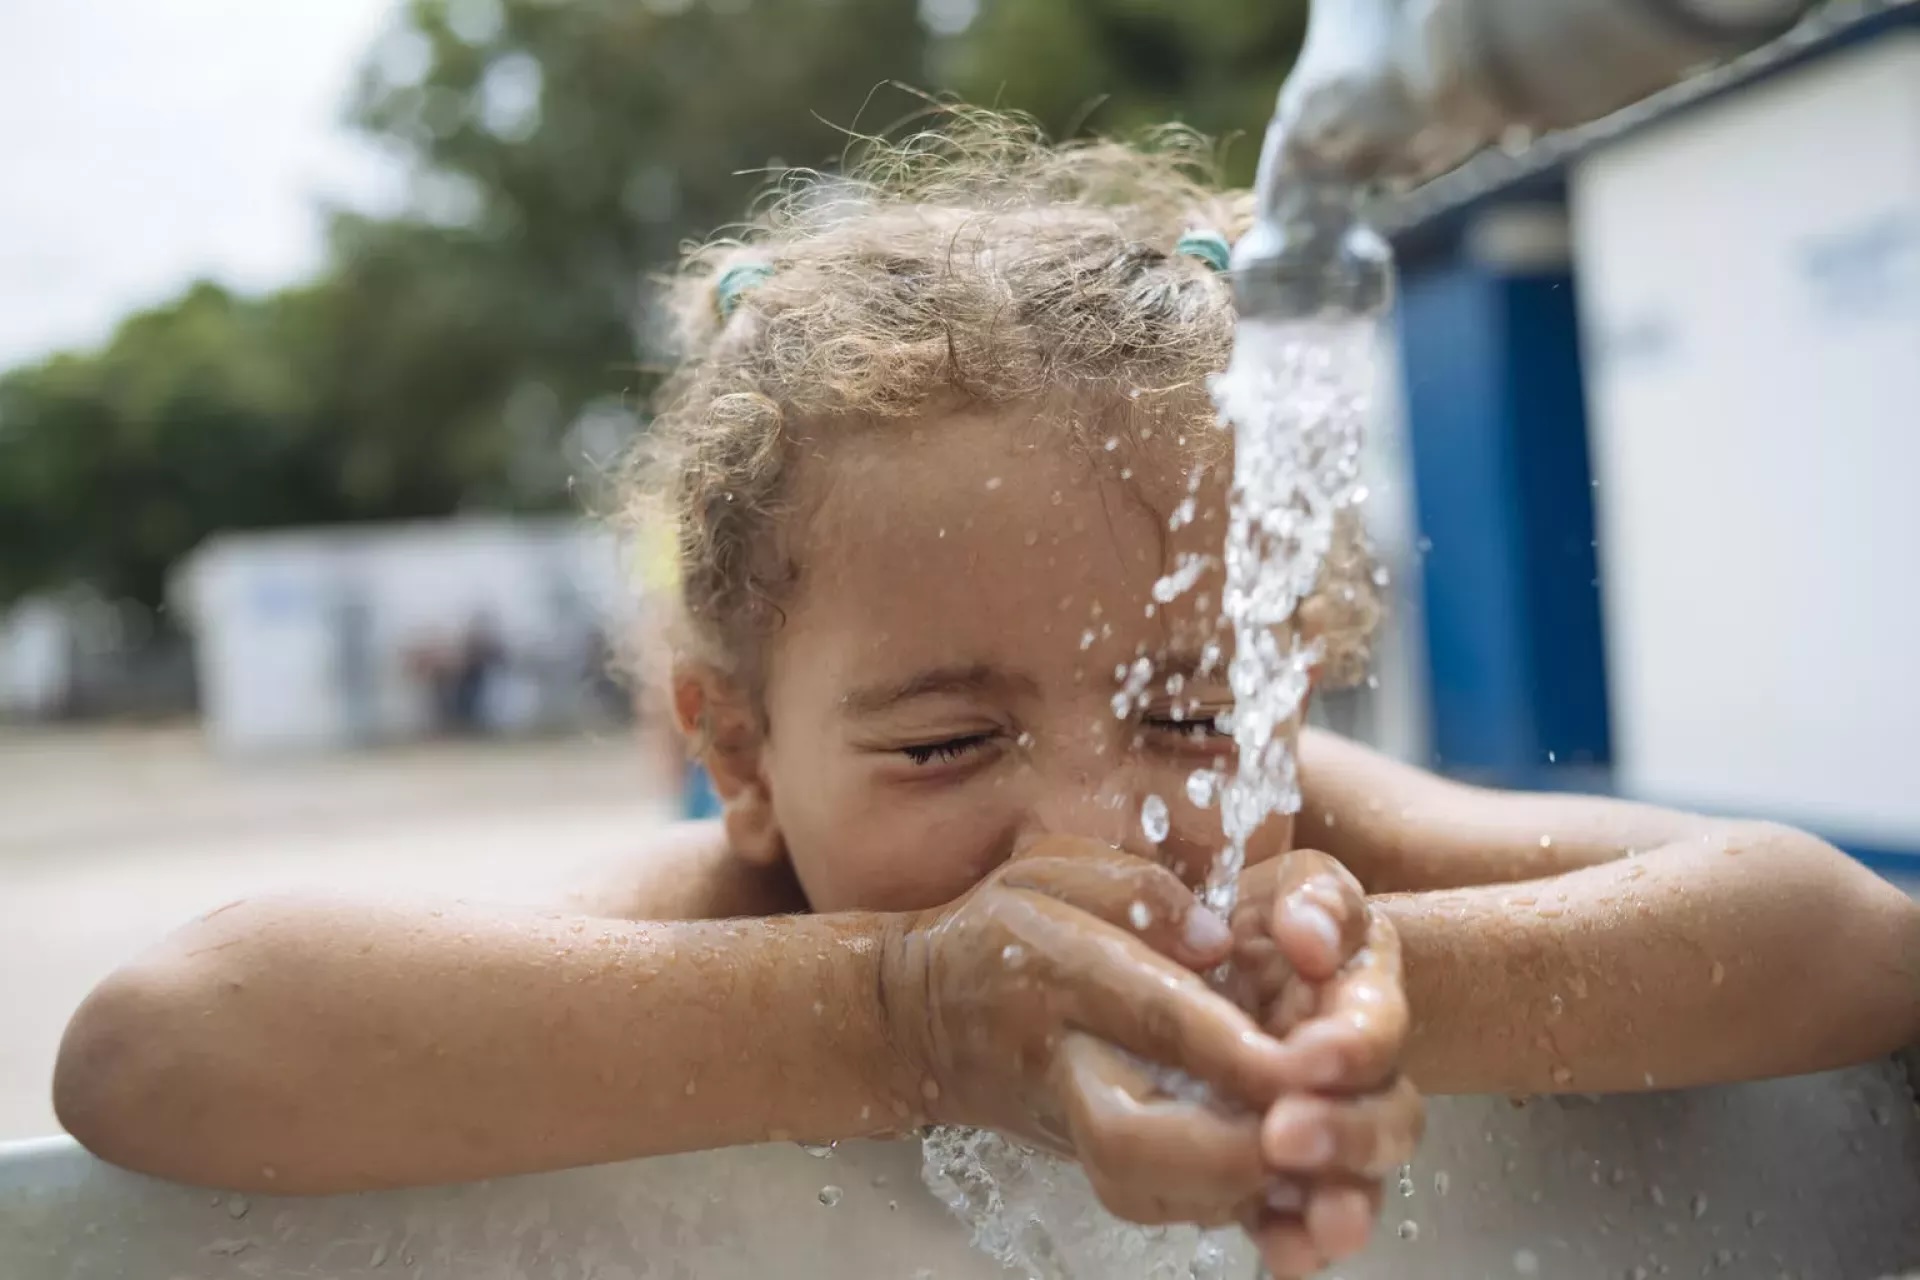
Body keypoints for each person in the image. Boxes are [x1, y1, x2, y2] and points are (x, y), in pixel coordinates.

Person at [54, 116, 1919, 1278]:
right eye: (948, 741)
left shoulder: (1316, 844)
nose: (1105, 822)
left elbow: (1842, 938)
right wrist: (890, 1021)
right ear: (740, 760)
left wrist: (1391, 1007)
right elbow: (161, 1043)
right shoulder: (733, 908)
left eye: (1193, 717)